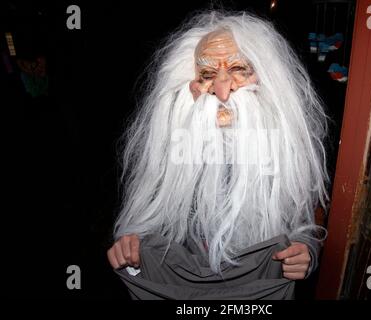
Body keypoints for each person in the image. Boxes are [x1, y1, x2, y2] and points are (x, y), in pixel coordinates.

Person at [107, 11, 329, 293]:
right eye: (209, 75)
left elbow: (306, 218)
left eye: (238, 70)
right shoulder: (173, 148)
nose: (223, 93)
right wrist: (131, 243)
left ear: (266, 80)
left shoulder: (287, 149)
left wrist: (306, 250)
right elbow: (151, 217)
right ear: (192, 87)